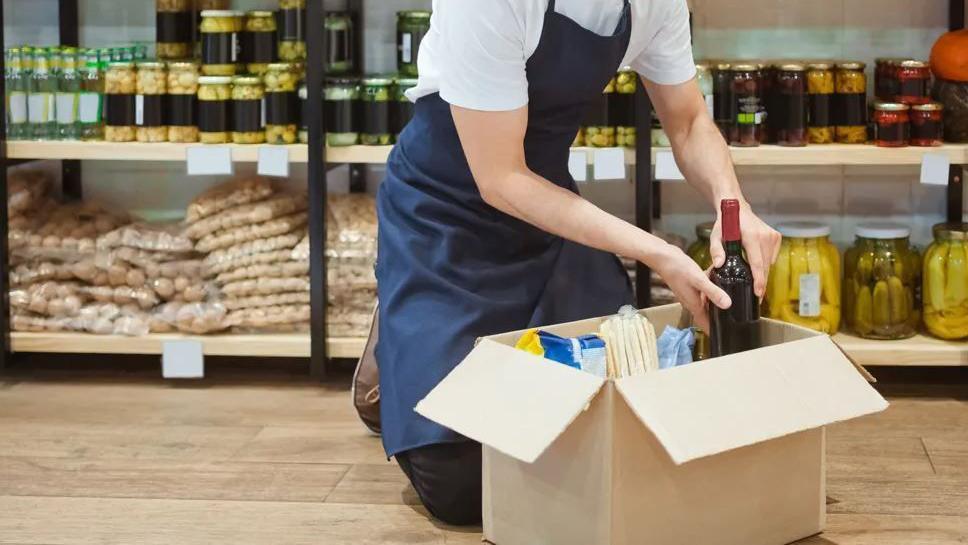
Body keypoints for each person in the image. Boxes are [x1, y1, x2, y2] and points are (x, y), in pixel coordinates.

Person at [355, 0, 782, 526]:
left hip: (549, 217)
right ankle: (398, 339)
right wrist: (656, 252)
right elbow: (500, 179)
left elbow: (690, 121)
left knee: (615, 421)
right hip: (442, 217)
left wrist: (731, 208)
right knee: (462, 483)